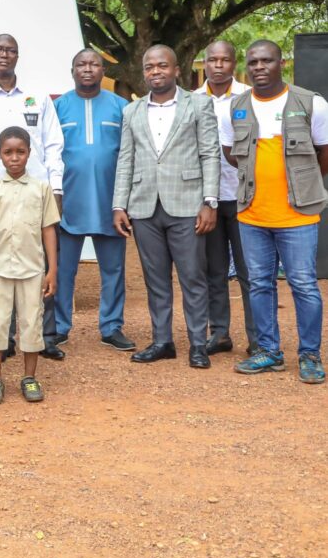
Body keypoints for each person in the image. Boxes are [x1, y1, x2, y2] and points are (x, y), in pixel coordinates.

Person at [222, 40, 328, 384]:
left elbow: (324, 154)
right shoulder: (236, 106)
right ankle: (269, 351)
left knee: (303, 285)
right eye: (253, 62)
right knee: (258, 285)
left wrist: (302, 184)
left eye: (266, 61)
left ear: (282, 63)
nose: (259, 67)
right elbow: (230, 153)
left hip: (297, 216)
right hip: (252, 214)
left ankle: (310, 355)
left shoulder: (311, 103)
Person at [113, 45, 220, 368]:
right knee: (155, 279)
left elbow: (210, 154)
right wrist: (119, 204)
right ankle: (163, 341)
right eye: (149, 67)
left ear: (176, 70)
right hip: (144, 206)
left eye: (162, 66)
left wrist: (209, 202)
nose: (155, 72)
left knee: (192, 277)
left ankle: (198, 344)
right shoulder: (131, 112)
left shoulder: (199, 104)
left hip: (188, 204)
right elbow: (125, 160)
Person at [0, 33, 66, 360]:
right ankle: (4, 338)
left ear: (17, 56)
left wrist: (57, 188)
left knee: (37, 260)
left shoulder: (38, 98)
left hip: (35, 191)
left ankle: (44, 336)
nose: (4, 55)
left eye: (10, 50)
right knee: (0, 262)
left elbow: (53, 145)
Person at [53, 50, 133, 351]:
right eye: (81, 65)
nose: (87, 69)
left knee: (113, 269)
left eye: (94, 64)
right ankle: (59, 327)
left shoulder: (121, 107)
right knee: (62, 269)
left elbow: (129, 155)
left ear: (103, 70)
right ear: (72, 70)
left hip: (110, 203)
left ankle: (112, 327)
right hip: (68, 203)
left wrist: (124, 202)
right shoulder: (58, 107)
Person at [0, 127, 59, 405]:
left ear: (29, 154)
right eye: (8, 153)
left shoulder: (41, 189)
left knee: (32, 321)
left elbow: (48, 230)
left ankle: (29, 378)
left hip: (32, 269)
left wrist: (52, 270)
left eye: (20, 152)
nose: (14, 158)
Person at [200, 40, 258, 357]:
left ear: (233, 64)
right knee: (214, 270)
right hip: (207, 200)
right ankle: (219, 332)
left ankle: (258, 336)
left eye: (224, 60)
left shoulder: (250, 97)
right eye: (212, 59)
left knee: (251, 272)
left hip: (244, 197)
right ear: (205, 63)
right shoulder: (192, 100)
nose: (218, 65)